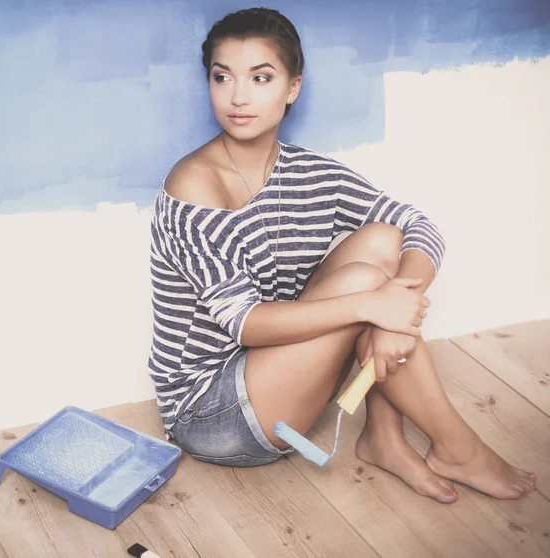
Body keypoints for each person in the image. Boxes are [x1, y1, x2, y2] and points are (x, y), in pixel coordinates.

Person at [148, 7, 536, 503]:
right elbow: (243, 324)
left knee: (381, 241)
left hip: (280, 371)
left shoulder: (311, 173)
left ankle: (384, 437)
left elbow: (419, 225)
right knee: (363, 285)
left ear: (292, 88)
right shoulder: (194, 185)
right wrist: (371, 307)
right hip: (212, 412)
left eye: (260, 78)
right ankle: (458, 447)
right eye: (222, 77)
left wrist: (394, 307)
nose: (238, 97)